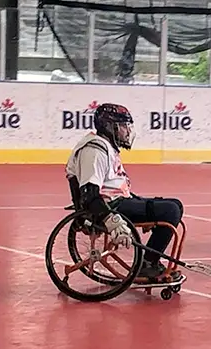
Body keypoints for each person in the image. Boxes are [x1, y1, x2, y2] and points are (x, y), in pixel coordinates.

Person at [65, 103, 184, 284]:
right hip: (110, 206)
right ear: (109, 127)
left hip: (118, 200)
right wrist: (110, 220)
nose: (127, 131)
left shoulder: (105, 146)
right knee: (171, 211)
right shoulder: (94, 151)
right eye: (123, 126)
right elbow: (89, 195)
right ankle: (148, 263)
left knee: (175, 205)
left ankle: (149, 261)